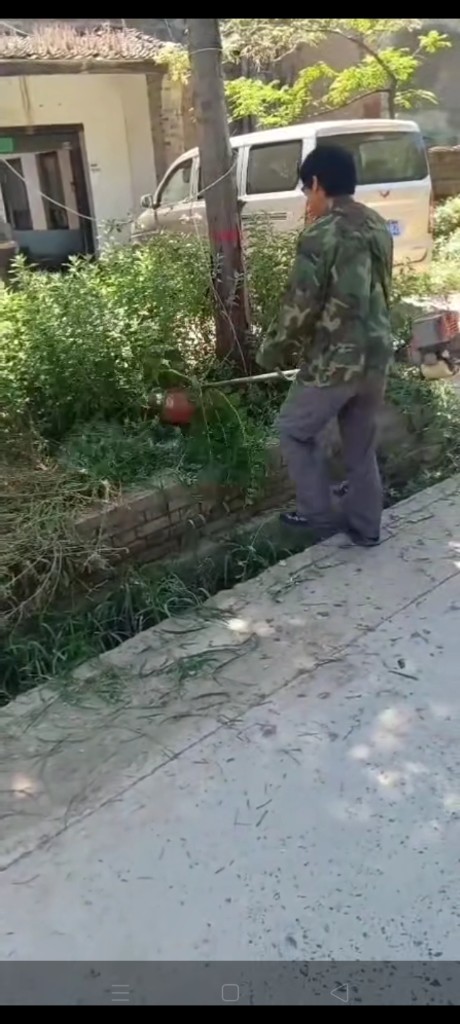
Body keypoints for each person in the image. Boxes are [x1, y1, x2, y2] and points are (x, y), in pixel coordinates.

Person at [256, 143, 394, 547]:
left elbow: (300, 306)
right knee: (360, 445)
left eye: (305, 190)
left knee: (293, 431)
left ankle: (319, 516)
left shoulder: (320, 234)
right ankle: (366, 528)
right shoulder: (377, 224)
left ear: (317, 183)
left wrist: (270, 350)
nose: (307, 200)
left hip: (336, 361)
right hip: (377, 356)